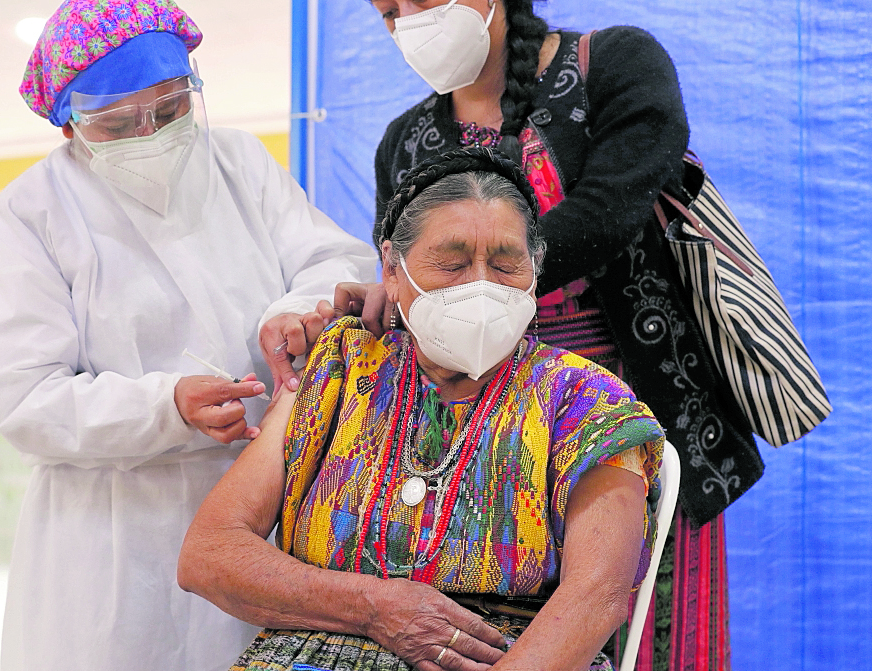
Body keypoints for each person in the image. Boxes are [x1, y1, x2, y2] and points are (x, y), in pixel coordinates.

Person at [319, 1, 766, 668]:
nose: (407, 20)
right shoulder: (403, 141)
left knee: (644, 616)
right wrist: (391, 292)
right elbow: (409, 269)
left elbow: (608, 212)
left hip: (635, 412)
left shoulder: (611, 67)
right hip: (479, 453)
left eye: (424, 1)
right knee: (502, 629)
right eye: (389, 11)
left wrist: (466, 276)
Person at [0, 1, 377, 669]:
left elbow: (334, 261)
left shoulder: (238, 162)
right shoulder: (30, 212)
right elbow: (24, 398)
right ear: (69, 121)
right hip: (114, 531)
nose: (151, 133)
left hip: (261, 502)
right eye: (118, 122)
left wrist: (298, 310)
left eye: (170, 109)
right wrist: (164, 405)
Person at [178, 147, 665, 671]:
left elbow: (597, 597)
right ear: (391, 268)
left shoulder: (585, 398)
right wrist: (371, 607)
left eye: (505, 264)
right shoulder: (339, 365)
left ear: (535, 269)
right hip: (315, 649)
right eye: (451, 264)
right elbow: (210, 554)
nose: (480, 285)